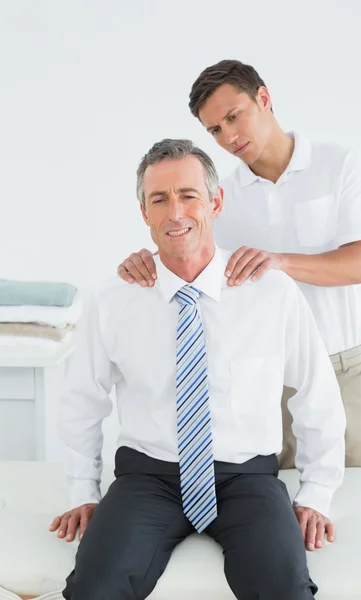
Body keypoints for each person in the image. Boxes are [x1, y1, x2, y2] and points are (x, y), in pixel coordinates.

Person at [51, 139, 345, 600]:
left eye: (188, 195)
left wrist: (316, 493)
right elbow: (81, 401)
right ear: (143, 212)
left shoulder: (270, 292)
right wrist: (82, 491)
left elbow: (316, 393)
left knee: (286, 590)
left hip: (246, 478)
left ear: (216, 201)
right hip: (149, 478)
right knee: (93, 588)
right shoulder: (114, 299)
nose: (175, 213)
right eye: (159, 199)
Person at [117, 60, 361, 469]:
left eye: (234, 117)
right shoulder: (223, 196)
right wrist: (146, 262)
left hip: (341, 370)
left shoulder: (341, 166)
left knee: (350, 498)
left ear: (263, 99)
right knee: (277, 499)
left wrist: (279, 262)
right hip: (265, 376)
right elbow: (191, 256)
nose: (228, 137)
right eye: (214, 130)